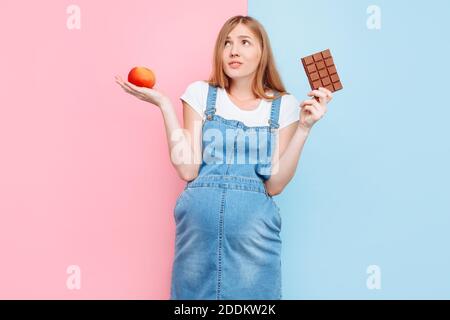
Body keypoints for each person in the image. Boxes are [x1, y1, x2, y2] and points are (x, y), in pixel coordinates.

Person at [115, 15, 332, 300]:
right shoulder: (200, 94)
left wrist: (304, 127)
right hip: (197, 238)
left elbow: (275, 184)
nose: (233, 50)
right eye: (227, 43)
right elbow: (188, 169)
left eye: (245, 42)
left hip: (255, 240)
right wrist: (164, 105)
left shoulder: (285, 106)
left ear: (261, 52)